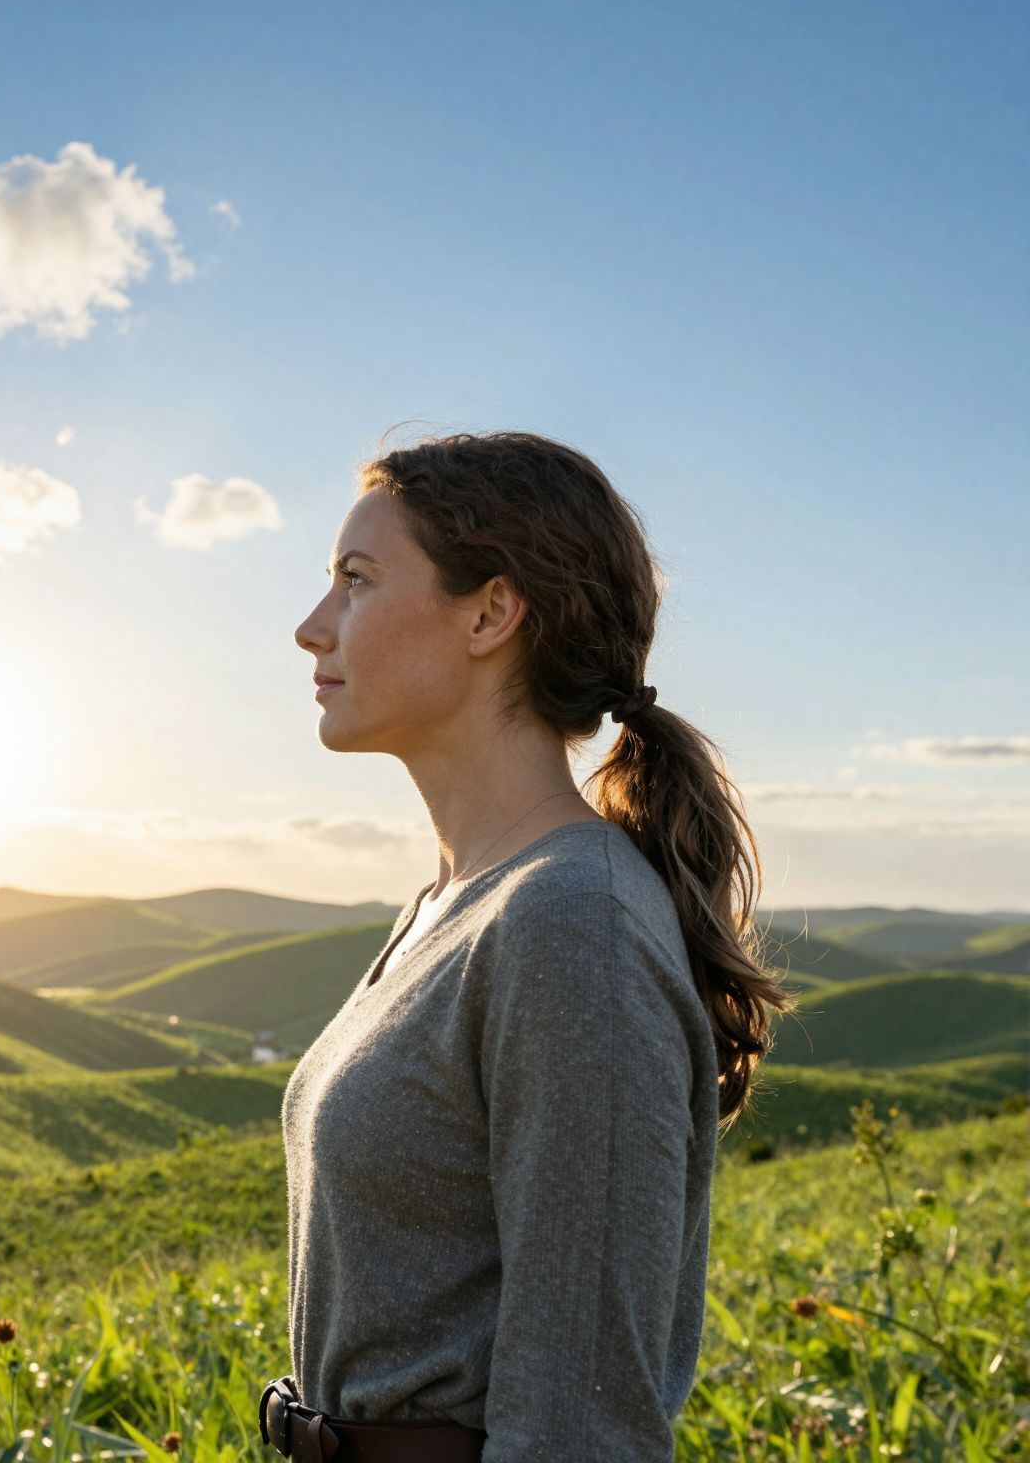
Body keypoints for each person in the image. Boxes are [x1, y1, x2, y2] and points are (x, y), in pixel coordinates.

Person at [267, 428, 796, 1462]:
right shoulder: (459, 902)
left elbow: (582, 1422)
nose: (310, 627)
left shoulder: (569, 926)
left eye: (355, 581)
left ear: (490, 613)